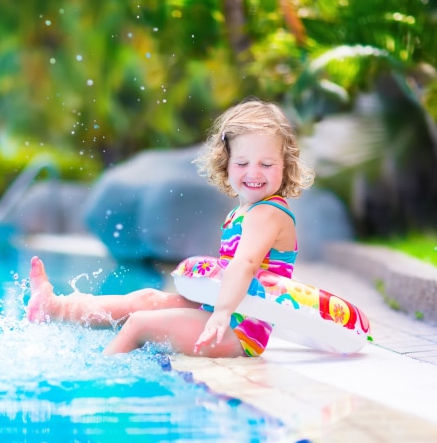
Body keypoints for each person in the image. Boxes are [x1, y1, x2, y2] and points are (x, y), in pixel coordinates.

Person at [26, 97, 314, 358]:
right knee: (145, 299)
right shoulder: (243, 211)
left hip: (240, 330)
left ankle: (99, 384)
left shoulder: (268, 213)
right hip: (222, 311)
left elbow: (245, 264)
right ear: (226, 163)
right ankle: (55, 307)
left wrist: (222, 313)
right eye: (242, 163)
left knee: (140, 324)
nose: (253, 172)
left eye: (266, 164)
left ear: (285, 166)